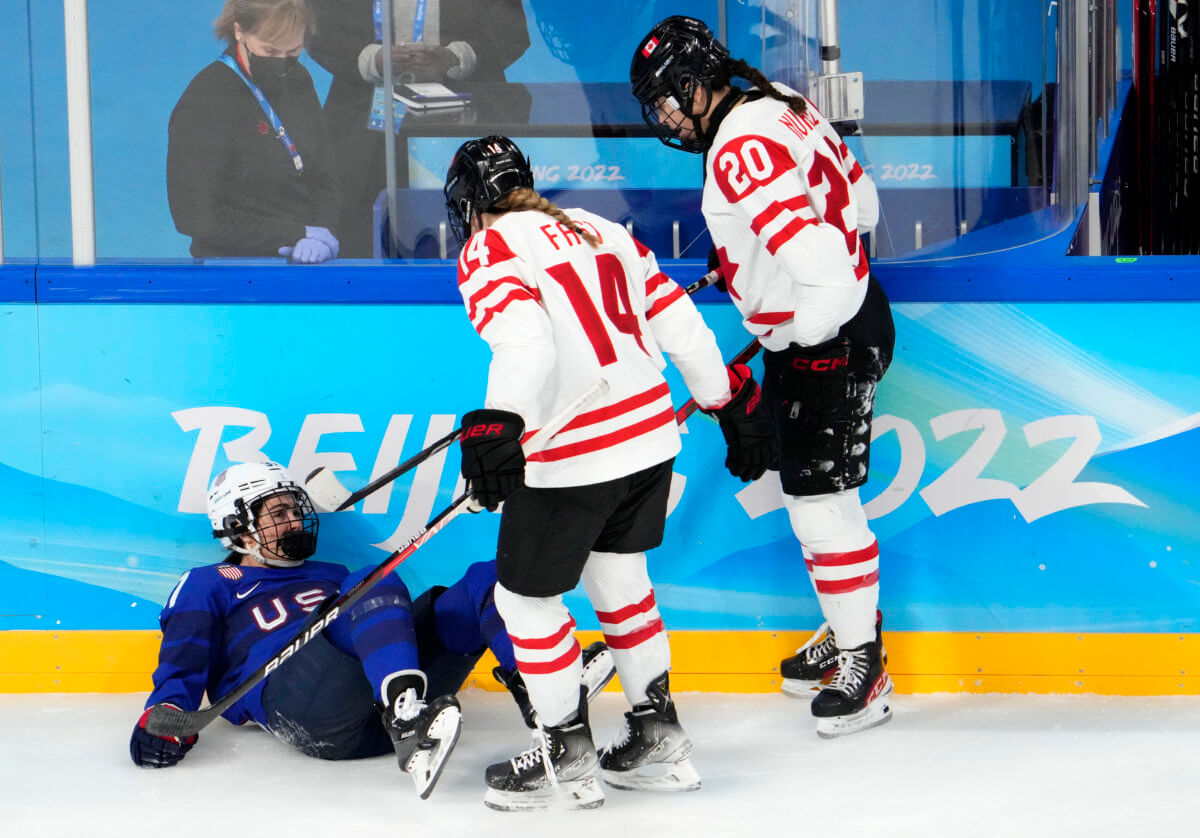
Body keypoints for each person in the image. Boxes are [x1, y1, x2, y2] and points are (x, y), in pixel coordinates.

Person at [443, 136, 777, 810]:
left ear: (470, 206)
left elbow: (525, 341)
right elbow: (680, 324)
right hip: (652, 442)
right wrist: (725, 401)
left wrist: (499, 421)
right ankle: (658, 736)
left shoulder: (488, 248)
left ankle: (564, 754)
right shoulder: (598, 227)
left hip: (574, 456)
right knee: (621, 580)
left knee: (524, 603)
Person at [630, 16, 896, 739]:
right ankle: (848, 630)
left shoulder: (738, 145)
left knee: (817, 503)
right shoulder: (776, 100)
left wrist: (795, 332)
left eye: (664, 100)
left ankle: (864, 664)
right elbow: (861, 208)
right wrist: (751, 262)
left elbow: (827, 270)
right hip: (853, 320)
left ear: (694, 83)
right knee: (822, 496)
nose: (664, 118)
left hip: (829, 338)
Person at [130, 461, 613, 797]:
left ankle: (544, 693)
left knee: (485, 578)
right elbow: (182, 660)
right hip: (305, 712)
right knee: (371, 581)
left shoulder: (330, 574)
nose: (294, 519)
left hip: (372, 713)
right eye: (277, 514)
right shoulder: (211, 583)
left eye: (296, 509)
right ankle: (409, 719)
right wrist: (164, 721)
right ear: (235, 527)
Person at [306, 0, 530, 257]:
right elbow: (318, 33)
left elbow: (510, 33)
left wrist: (455, 57)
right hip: (363, 122)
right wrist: (373, 59)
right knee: (364, 226)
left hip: (465, 118)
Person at [167, 0, 341, 261]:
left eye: (293, 51)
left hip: (306, 259)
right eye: (270, 52)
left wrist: (322, 234)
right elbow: (196, 216)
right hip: (233, 267)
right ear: (239, 32)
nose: (283, 64)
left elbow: (324, 177)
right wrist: (296, 232)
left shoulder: (299, 80)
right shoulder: (207, 98)